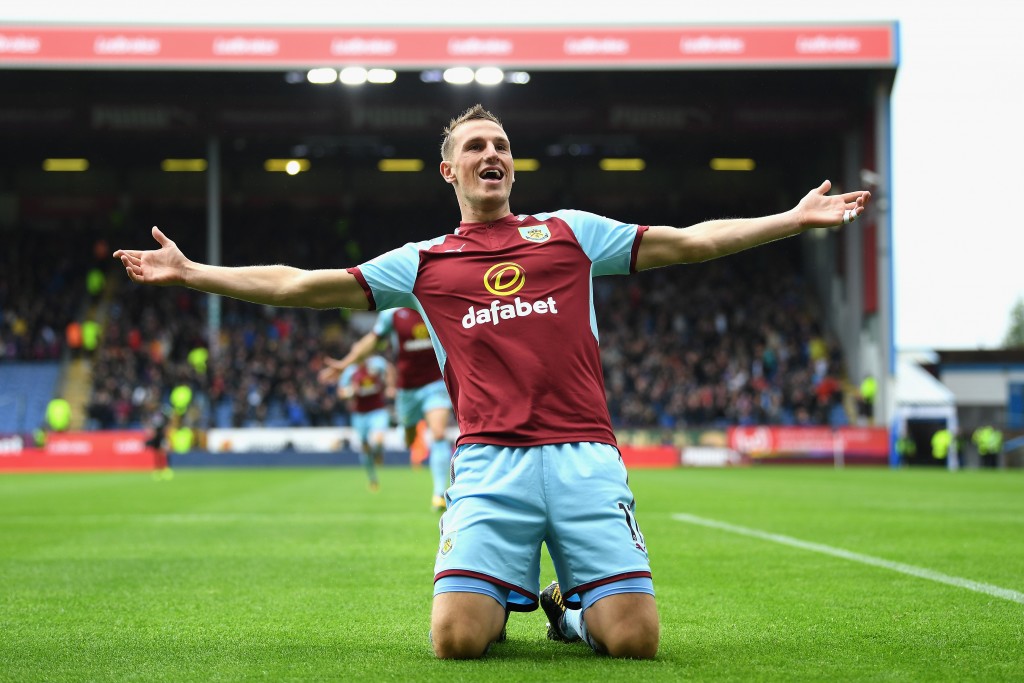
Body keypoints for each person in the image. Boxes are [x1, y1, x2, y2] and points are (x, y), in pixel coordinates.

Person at [113, 103, 870, 660]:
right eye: (475, 145)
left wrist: (791, 220)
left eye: (501, 144)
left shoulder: (571, 233)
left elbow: (689, 241)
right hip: (489, 464)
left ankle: (565, 610)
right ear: (450, 169)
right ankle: (500, 600)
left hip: (585, 457)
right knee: (455, 640)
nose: (491, 153)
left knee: (634, 640)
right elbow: (297, 285)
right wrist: (191, 273)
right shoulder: (422, 262)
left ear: (513, 165)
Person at [320, 307, 455, 511]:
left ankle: (438, 494)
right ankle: (403, 437)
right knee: (409, 438)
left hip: (435, 383)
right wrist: (345, 364)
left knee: (438, 434)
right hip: (407, 390)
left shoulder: (435, 302)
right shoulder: (392, 314)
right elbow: (371, 340)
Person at [337, 354, 394, 491]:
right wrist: (350, 392)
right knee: (365, 449)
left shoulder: (378, 363)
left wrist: (390, 385)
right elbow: (341, 392)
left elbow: (390, 370)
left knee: (379, 439)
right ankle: (372, 478)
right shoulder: (350, 371)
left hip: (378, 411)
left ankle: (379, 452)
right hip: (360, 415)